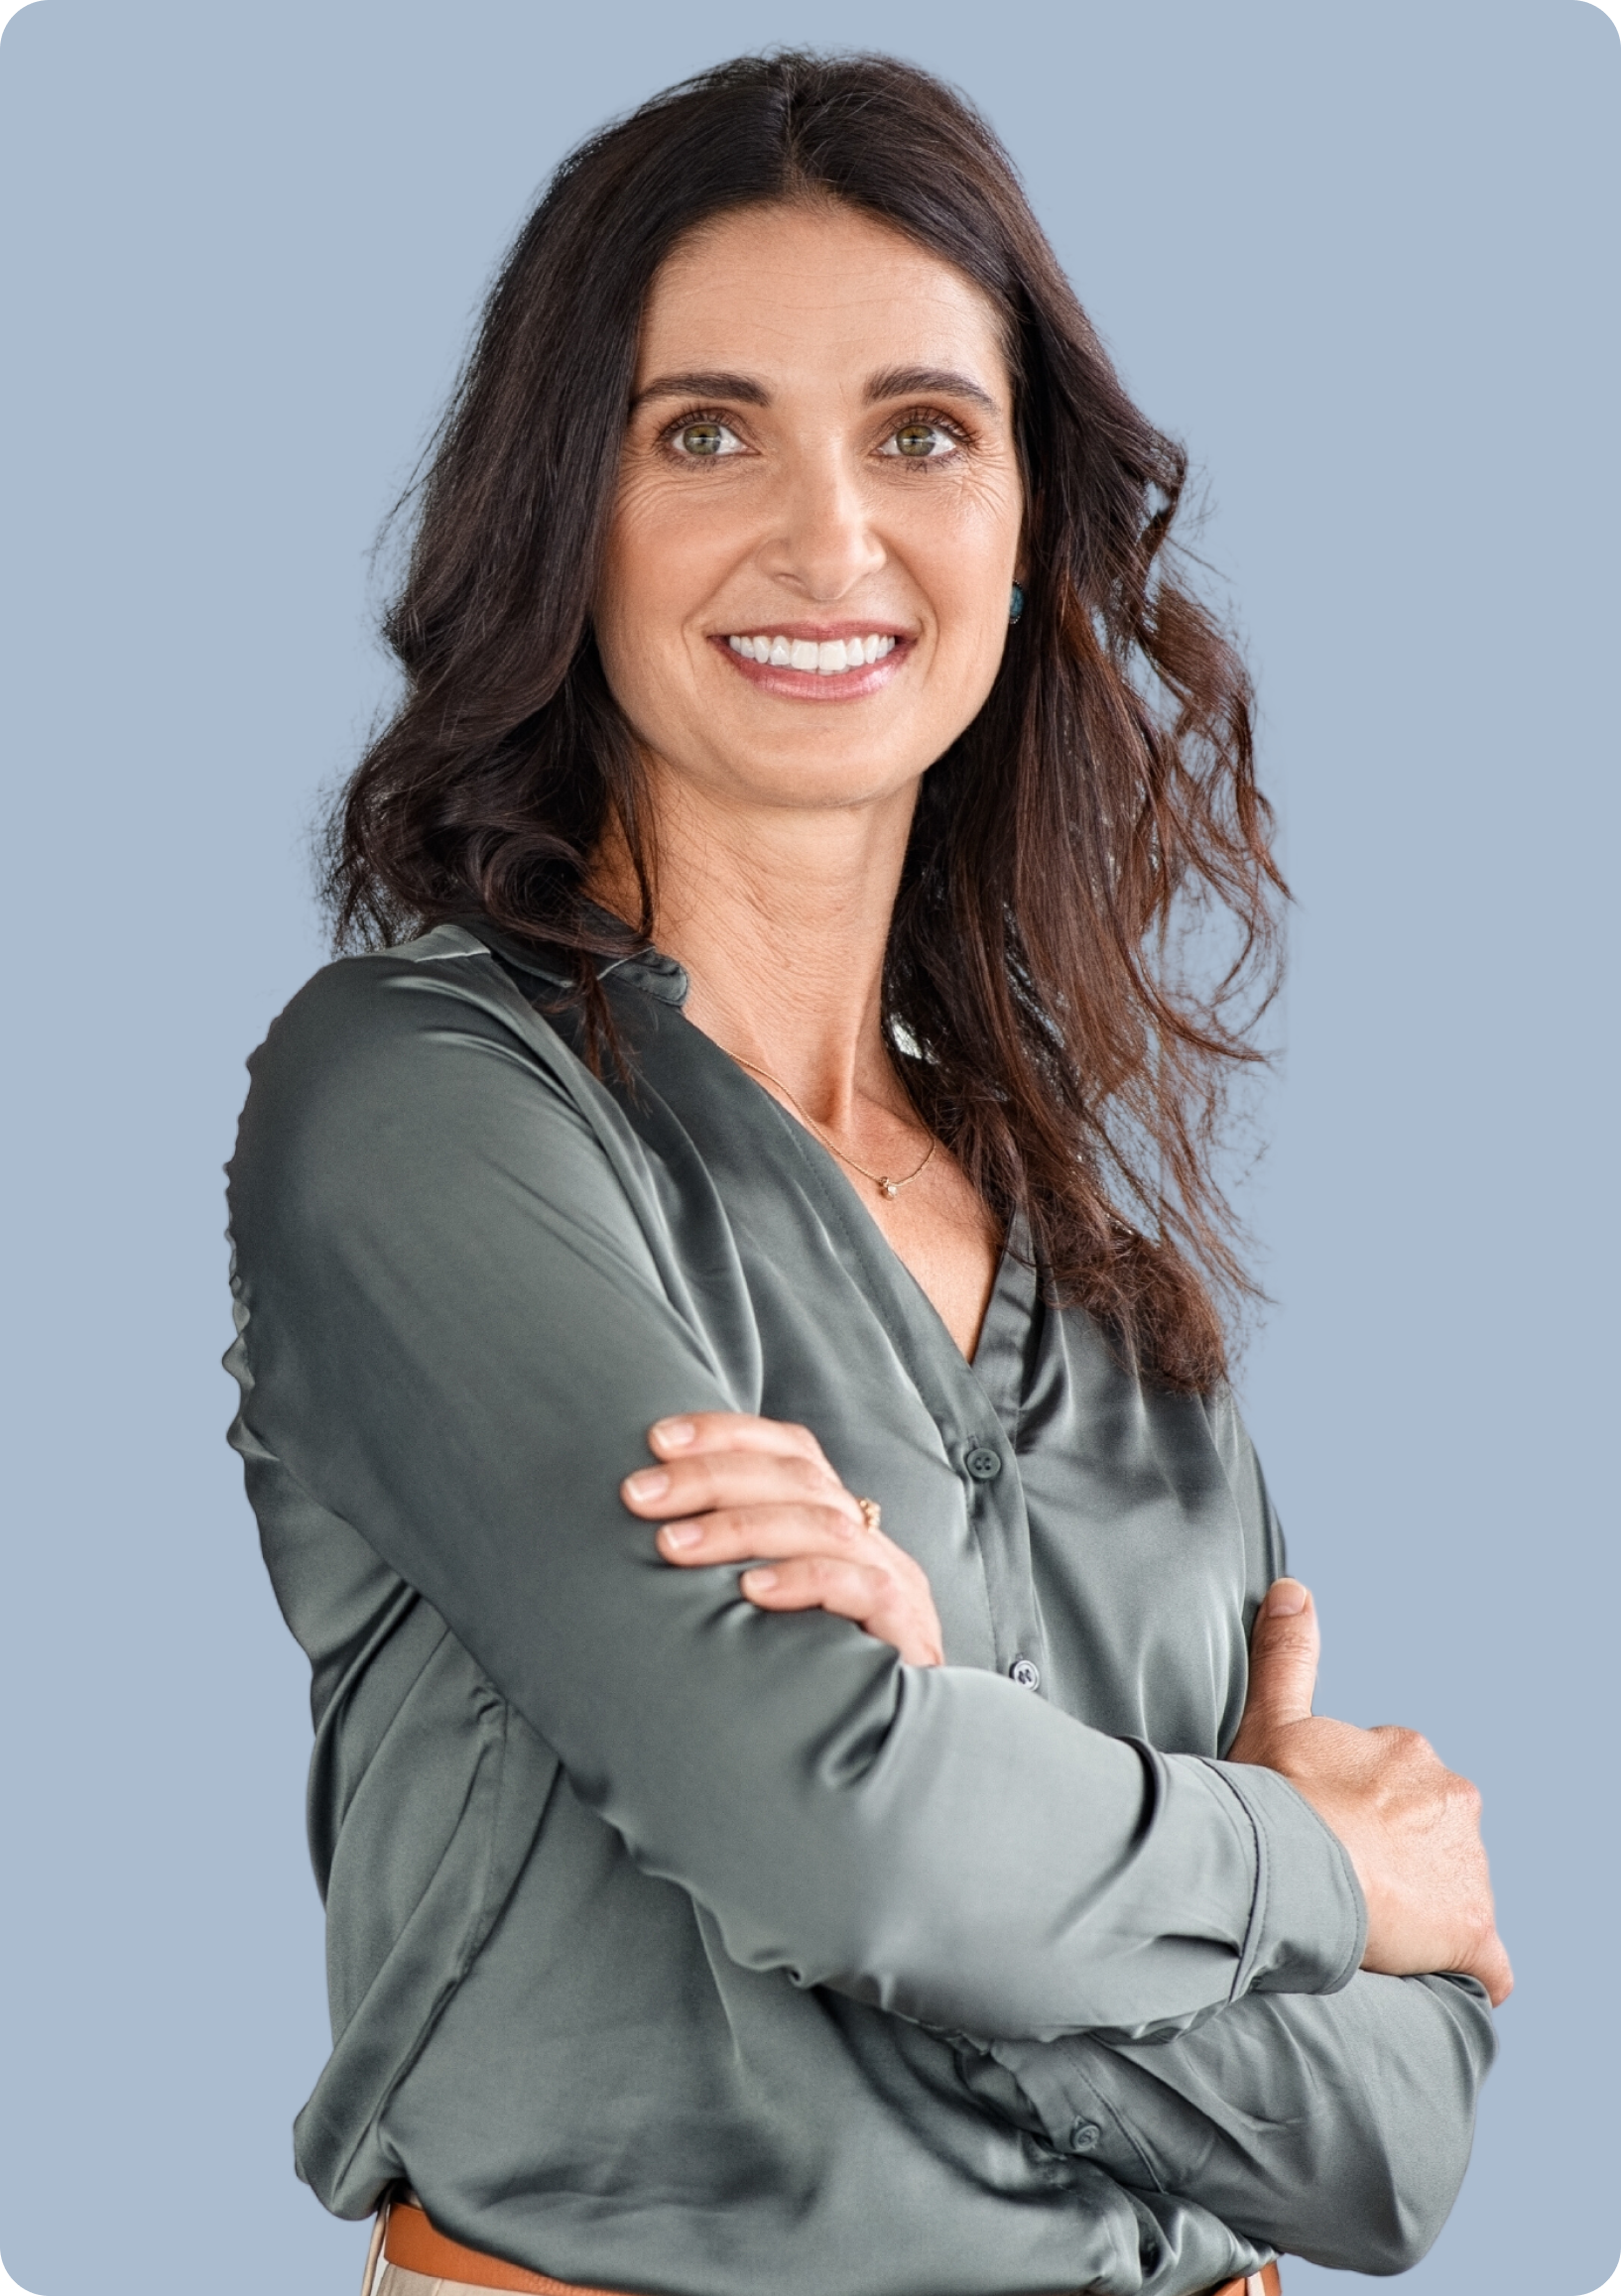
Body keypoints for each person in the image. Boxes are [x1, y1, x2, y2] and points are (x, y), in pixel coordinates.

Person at [224, 51, 1509, 2296]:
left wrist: (972, 1782)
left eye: (923, 432)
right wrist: (1298, 1863)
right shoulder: (429, 1106)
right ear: (565, 511)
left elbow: (1394, 2144)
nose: (830, 540)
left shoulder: (1088, 1232)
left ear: (1024, 519)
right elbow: (853, 1856)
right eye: (702, 431)